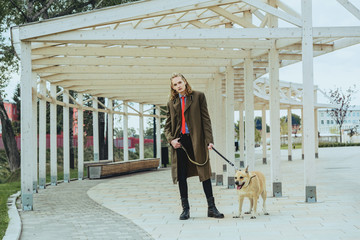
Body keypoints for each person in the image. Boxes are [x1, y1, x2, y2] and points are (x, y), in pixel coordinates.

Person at [164, 73, 224, 220]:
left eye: (180, 82)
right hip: (180, 142)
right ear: (172, 87)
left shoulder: (198, 96)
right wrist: (171, 140)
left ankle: (212, 208)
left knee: (205, 174)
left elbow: (206, 120)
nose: (178, 85)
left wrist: (209, 140)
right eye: (175, 84)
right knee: (182, 176)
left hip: (197, 140)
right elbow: (167, 126)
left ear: (185, 81)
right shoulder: (171, 103)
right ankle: (185, 209)